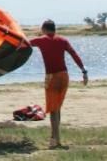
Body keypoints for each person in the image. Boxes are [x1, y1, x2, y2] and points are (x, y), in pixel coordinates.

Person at [27, 21, 86, 150]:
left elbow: (23, 44)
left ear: (43, 29)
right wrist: (83, 71)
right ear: (54, 29)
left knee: (53, 110)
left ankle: (55, 140)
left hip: (52, 77)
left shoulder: (41, 40)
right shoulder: (63, 40)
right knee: (57, 108)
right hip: (64, 76)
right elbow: (74, 55)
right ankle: (55, 137)